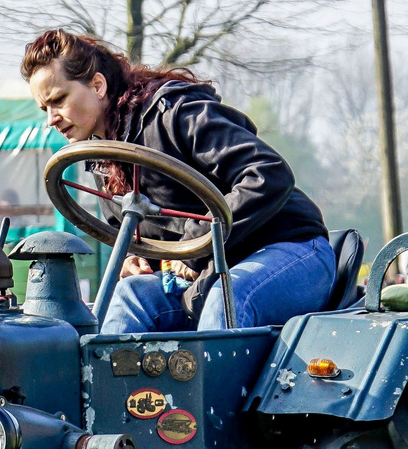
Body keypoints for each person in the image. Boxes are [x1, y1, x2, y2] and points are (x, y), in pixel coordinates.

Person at [21, 29, 332, 333]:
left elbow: (268, 174)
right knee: (130, 297)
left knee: (225, 299)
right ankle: (109, 385)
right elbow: (137, 236)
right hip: (208, 270)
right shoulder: (101, 160)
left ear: (98, 85)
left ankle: (215, 387)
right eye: (44, 108)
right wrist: (135, 259)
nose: (51, 118)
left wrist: (196, 244)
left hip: (289, 248)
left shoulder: (175, 115)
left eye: (58, 100)